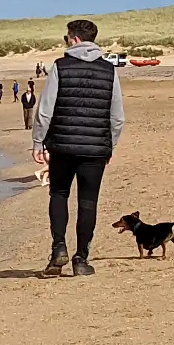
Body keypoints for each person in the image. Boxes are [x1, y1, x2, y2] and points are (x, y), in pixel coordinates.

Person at [32, 18, 125, 277]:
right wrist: (109, 145)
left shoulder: (60, 66)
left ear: (74, 39)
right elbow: (117, 117)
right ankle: (81, 259)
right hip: (95, 149)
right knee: (88, 201)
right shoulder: (109, 70)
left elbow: (45, 110)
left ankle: (58, 248)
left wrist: (38, 141)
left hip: (62, 146)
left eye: (66, 38)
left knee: (59, 194)